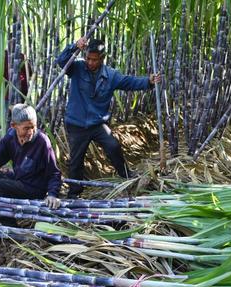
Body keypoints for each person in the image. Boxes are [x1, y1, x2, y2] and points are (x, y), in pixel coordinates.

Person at [56, 37, 162, 198]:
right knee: (76, 160)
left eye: (95, 60)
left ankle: (127, 176)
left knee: (113, 146)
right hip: (77, 124)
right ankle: (74, 193)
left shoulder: (110, 75)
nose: (91, 63)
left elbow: (129, 82)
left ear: (102, 58)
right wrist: (74, 46)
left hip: (97, 124)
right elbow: (61, 61)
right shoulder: (76, 68)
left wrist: (149, 81)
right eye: (88, 59)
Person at [0, 104, 62, 209]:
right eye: (26, 128)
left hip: (34, 188)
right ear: (14, 126)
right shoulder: (10, 137)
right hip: (19, 180)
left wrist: (52, 195)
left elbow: (54, 172)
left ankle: (6, 221)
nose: (30, 132)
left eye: (33, 127)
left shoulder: (42, 142)